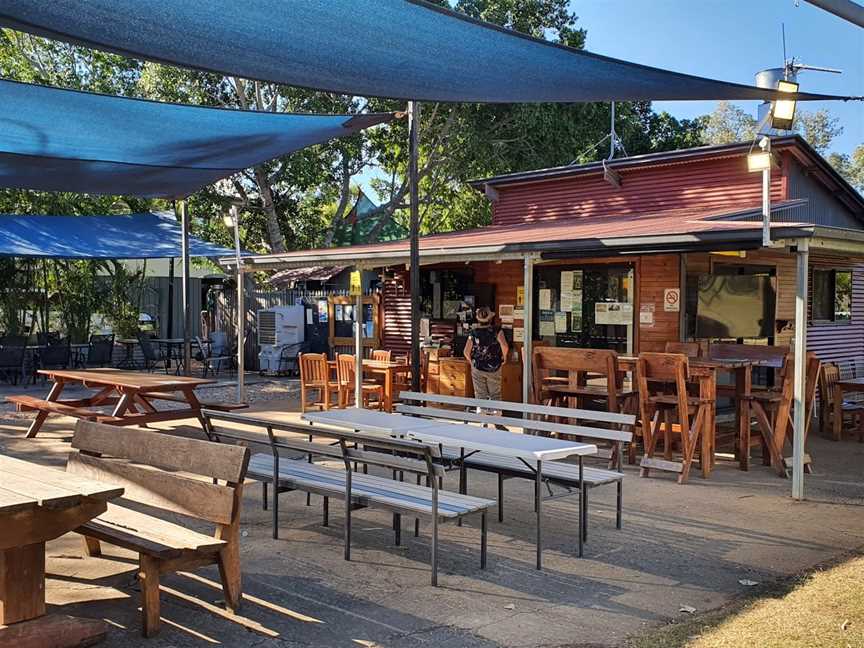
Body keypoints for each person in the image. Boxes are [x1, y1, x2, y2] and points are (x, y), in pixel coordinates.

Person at [463, 307, 509, 402]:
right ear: (490, 318)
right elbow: (505, 346)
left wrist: (472, 362)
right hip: (494, 366)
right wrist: (504, 357)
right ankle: (496, 414)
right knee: (495, 394)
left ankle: (482, 414)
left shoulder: (473, 333)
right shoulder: (497, 331)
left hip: (478, 366)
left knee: (480, 394)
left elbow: (466, 351)